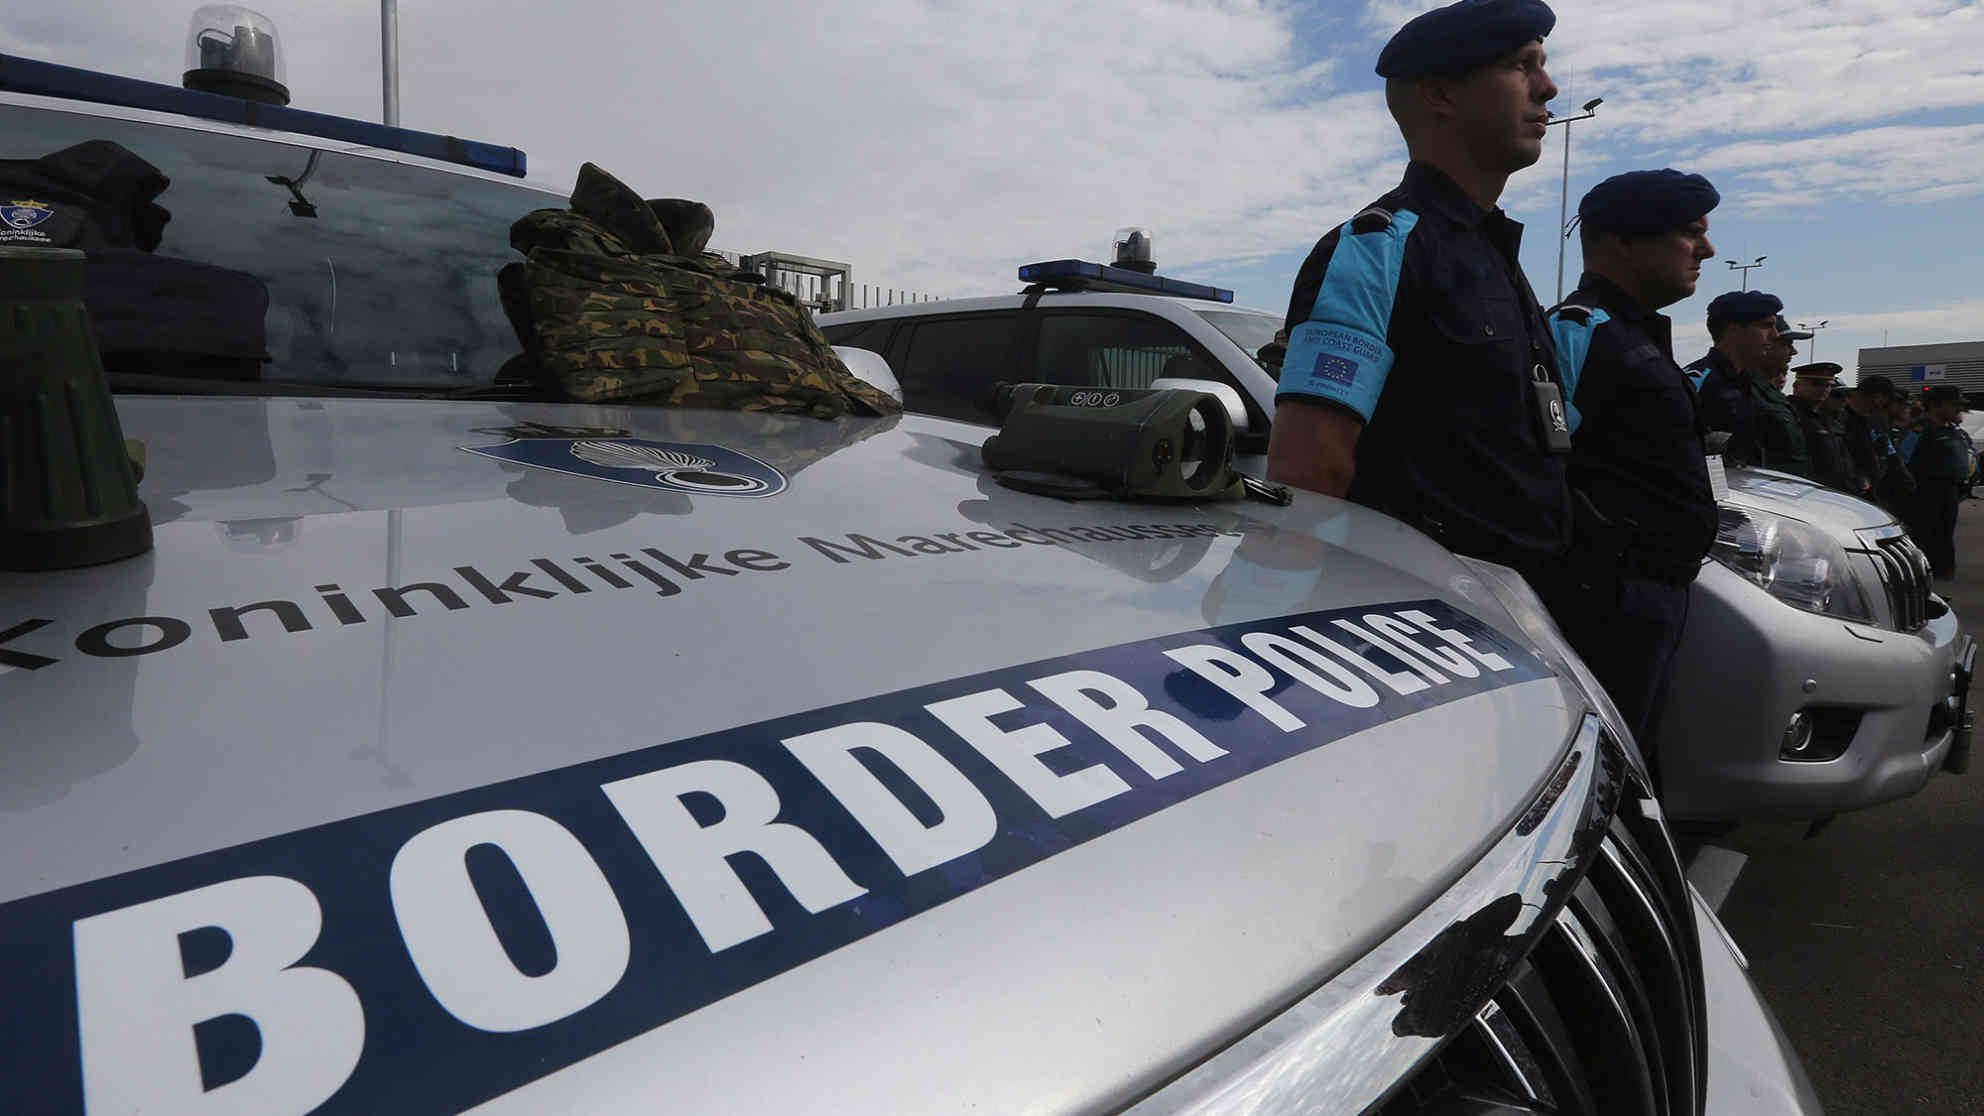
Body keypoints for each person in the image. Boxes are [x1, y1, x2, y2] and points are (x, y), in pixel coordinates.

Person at [1270, 0, 1571, 600]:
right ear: (1440, 96)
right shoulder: (1378, 249)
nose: (1549, 86)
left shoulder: (1494, 257)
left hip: (1524, 608)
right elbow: (1309, 473)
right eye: (1522, 65)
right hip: (1433, 621)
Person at [1544, 169, 1719, 740]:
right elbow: (1537, 467)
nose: (1707, 249)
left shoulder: (1636, 337)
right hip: (1608, 602)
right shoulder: (1579, 331)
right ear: (1621, 240)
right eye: (1690, 232)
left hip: (1654, 595)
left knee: (1638, 749)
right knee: (1598, 754)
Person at [1694, 295, 1810, 475]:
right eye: (1766, 325)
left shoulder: (1745, 382)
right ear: (1734, 330)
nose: (1775, 335)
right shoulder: (1700, 381)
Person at [1900, 384, 1970, 577]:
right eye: (1954, 405)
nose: (1959, 409)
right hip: (1925, 491)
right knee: (1924, 535)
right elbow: (1902, 459)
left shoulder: (1954, 430)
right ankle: (1918, 577)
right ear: (1935, 405)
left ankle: (1941, 573)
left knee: (1944, 534)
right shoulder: (1919, 429)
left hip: (1950, 492)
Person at [1842, 375, 1915, 514]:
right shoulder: (1842, 419)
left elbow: (1889, 453)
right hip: (1852, 493)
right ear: (1877, 396)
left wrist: (1905, 480)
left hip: (1874, 490)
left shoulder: (1873, 421)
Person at [1788, 362, 1862, 493]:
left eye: (1828, 385)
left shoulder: (1828, 420)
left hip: (1835, 493)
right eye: (1816, 383)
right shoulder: (1789, 414)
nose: (1823, 389)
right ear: (1797, 386)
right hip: (1804, 493)